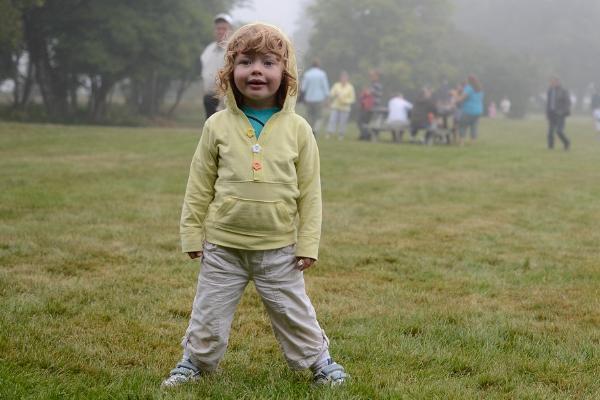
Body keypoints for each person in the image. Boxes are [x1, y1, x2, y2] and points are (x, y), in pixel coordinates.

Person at [161, 23, 347, 388]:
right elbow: (199, 184)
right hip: (223, 246)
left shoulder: (298, 129)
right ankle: (194, 362)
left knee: (294, 313)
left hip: (279, 249)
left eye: (268, 62)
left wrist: (308, 242)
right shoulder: (217, 125)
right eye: (246, 62)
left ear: (286, 73)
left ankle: (319, 362)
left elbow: (311, 193)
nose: (257, 70)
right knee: (209, 312)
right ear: (230, 72)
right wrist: (191, 232)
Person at [200, 13, 233, 119]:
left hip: (227, 98)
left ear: (230, 30)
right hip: (209, 97)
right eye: (218, 28)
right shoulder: (208, 50)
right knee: (210, 130)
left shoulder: (234, 50)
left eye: (224, 28)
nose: (220, 31)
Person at [300, 59, 330, 135]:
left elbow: (303, 88)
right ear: (319, 66)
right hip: (319, 99)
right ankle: (315, 130)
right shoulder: (322, 74)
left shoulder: (307, 74)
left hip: (309, 99)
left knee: (310, 115)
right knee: (318, 116)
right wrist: (327, 99)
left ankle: (309, 129)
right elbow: (325, 88)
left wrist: (302, 98)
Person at [326, 71, 355, 140]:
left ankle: (341, 135)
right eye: (342, 78)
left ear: (347, 79)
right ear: (340, 78)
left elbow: (352, 99)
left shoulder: (350, 87)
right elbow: (331, 94)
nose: (343, 79)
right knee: (332, 120)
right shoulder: (336, 85)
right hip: (336, 106)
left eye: (345, 78)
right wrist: (335, 94)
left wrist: (345, 101)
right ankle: (329, 133)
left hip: (345, 108)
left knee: (343, 122)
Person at [457, 75, 484, 145]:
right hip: (478, 111)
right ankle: (473, 143)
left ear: (469, 81)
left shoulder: (469, 88)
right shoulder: (480, 89)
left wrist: (455, 100)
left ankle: (461, 143)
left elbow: (462, 98)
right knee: (474, 126)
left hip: (468, 110)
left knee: (462, 125)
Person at [546, 76, 571, 150]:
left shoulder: (563, 91)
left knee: (559, 131)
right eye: (551, 82)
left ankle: (566, 142)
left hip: (560, 114)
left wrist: (563, 112)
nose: (551, 83)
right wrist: (547, 113)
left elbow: (568, 102)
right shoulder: (550, 91)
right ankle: (550, 147)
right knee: (550, 132)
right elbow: (548, 103)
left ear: (557, 82)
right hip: (551, 114)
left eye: (553, 82)